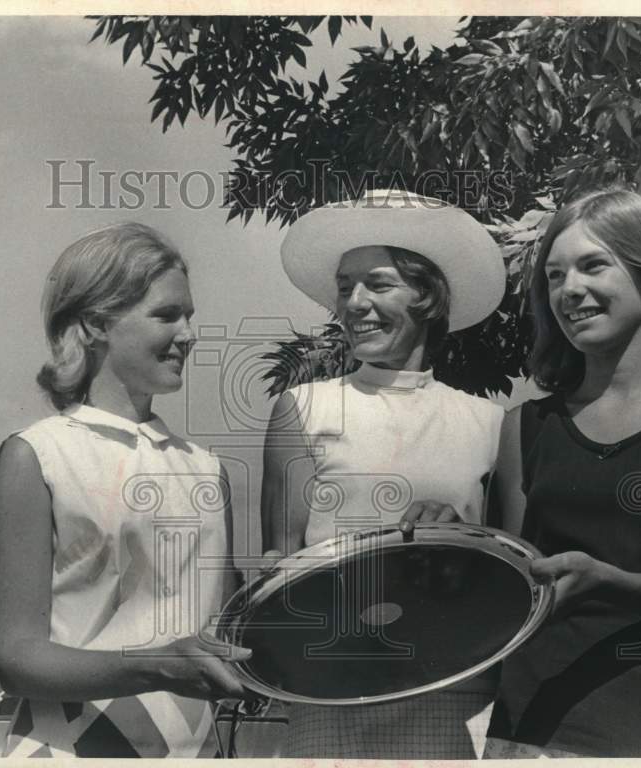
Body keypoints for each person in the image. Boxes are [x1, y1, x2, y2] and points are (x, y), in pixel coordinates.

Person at [484, 187, 641, 757]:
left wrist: (615, 583)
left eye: (593, 265)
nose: (569, 290)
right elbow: (520, 588)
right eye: (553, 276)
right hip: (535, 730)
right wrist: (450, 541)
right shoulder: (524, 426)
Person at [0, 223, 250, 758]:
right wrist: (152, 664)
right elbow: (16, 657)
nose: (188, 333)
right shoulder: (37, 455)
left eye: (189, 315)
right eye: (166, 314)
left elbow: (220, 634)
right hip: (65, 751)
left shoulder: (206, 469)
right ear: (94, 324)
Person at [260, 189, 506, 758]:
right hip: (330, 689)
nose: (354, 303)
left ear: (428, 297)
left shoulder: (491, 424)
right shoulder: (303, 408)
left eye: (378, 283)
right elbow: (277, 568)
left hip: (451, 694)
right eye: (345, 287)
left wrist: (458, 542)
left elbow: (506, 577)